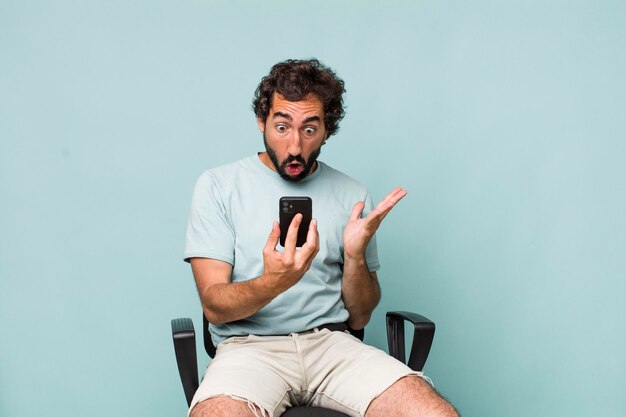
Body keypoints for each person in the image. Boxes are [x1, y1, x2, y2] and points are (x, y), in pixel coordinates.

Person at [184, 58, 459, 417]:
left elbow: (359, 317)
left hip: (332, 346)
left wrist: (355, 256)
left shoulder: (352, 194)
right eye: (282, 127)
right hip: (248, 350)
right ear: (261, 122)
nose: (295, 146)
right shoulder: (218, 186)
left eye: (309, 129)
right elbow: (215, 305)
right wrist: (274, 282)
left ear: (327, 130)